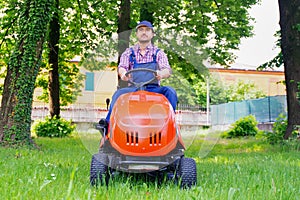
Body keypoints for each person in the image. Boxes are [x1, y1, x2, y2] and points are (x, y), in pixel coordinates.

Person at [98, 20, 177, 133]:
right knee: (118, 94)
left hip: (153, 88)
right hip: (133, 88)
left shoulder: (159, 53)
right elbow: (122, 67)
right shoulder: (129, 52)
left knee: (171, 92)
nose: (144, 32)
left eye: (147, 30)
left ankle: (170, 124)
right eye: (141, 30)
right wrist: (124, 74)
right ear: (137, 34)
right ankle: (107, 125)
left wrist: (161, 73)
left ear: (152, 34)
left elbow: (166, 70)